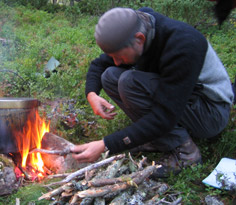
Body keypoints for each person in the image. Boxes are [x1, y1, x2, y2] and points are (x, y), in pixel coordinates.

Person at [71, 7, 234, 178]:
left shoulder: (183, 44)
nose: (116, 62)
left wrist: (106, 145)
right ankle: (158, 139)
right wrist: (91, 94)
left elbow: (164, 116)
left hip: (210, 111)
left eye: (118, 56)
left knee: (129, 82)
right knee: (110, 76)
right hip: (182, 100)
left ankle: (186, 154)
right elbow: (99, 64)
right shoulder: (139, 29)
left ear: (139, 39)